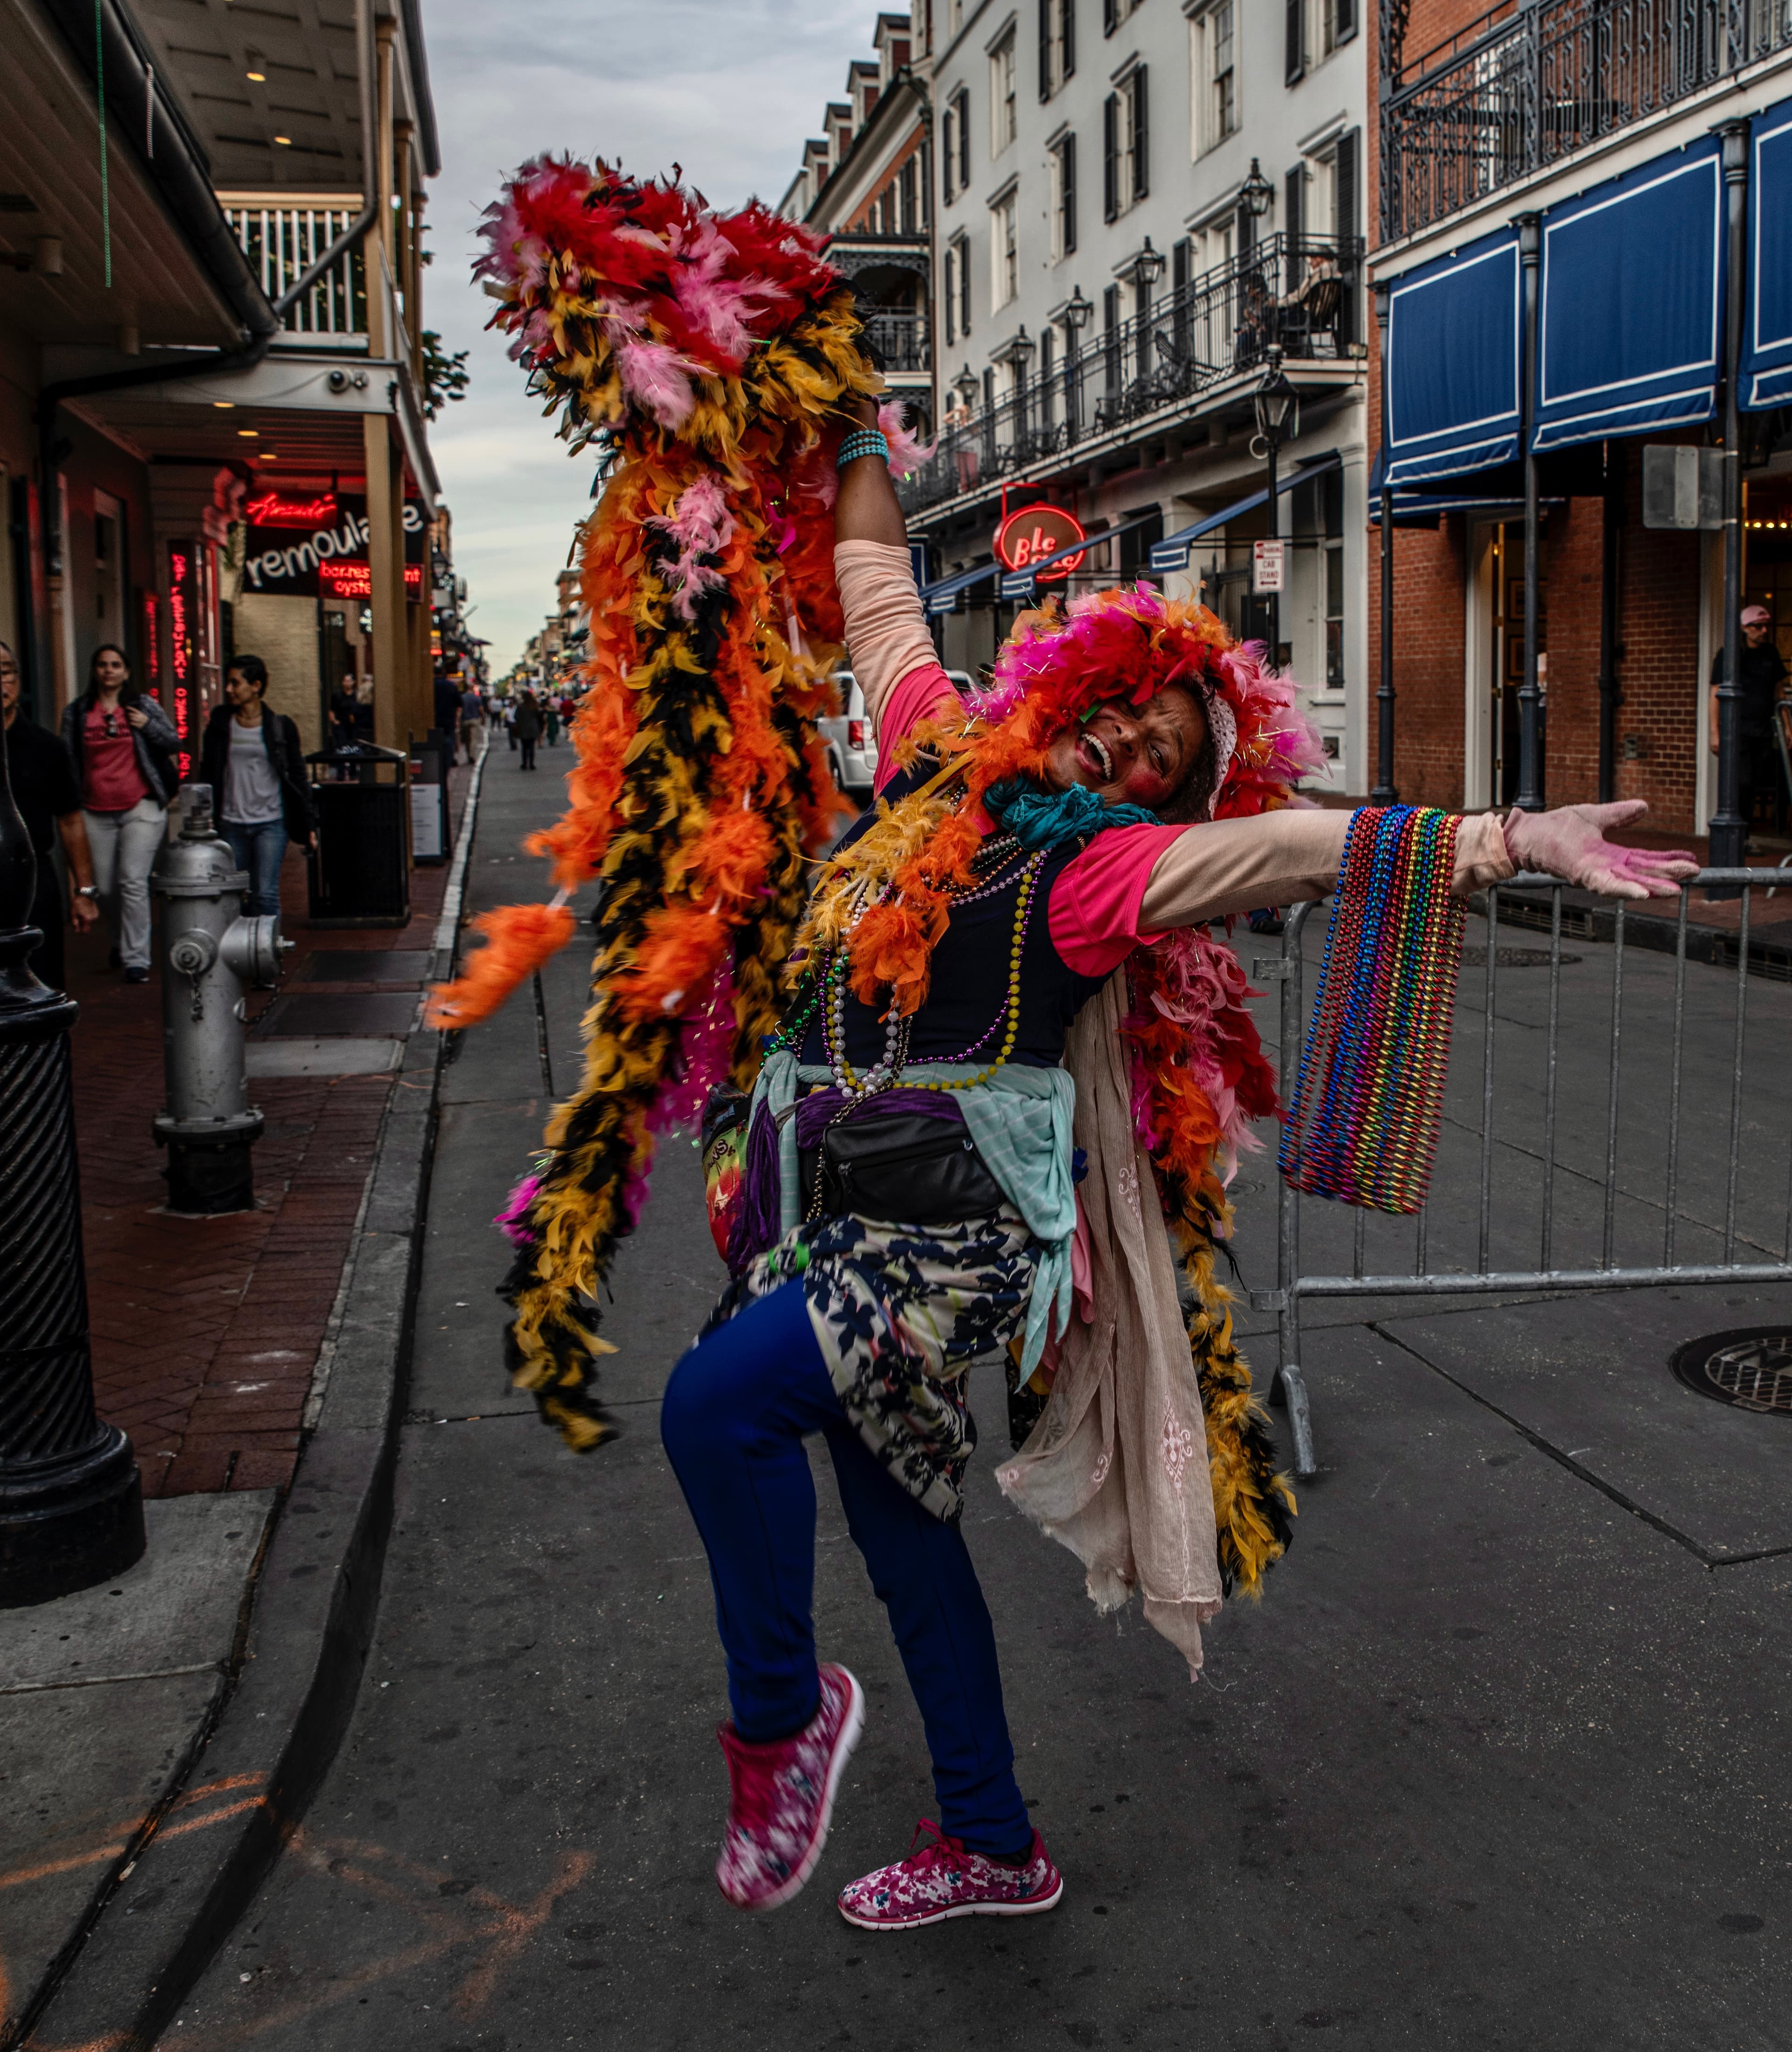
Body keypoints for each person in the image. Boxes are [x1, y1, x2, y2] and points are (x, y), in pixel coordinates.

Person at [655, 414, 1697, 1931]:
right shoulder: (938, 757)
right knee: (897, 1520)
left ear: (1162, 802)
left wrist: (1509, 835)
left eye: (1169, 759)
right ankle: (992, 1837)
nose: (1140, 747)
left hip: (944, 1240)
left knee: (710, 1403)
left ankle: (777, 1722)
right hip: (817, 1210)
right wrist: (845, 419)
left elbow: (1300, 846)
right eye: (1134, 714)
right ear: (1078, 693)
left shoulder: (1100, 876)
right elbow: (879, 589)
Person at [60, 643, 177, 983]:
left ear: (126, 672)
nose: (108, 670)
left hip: (140, 805)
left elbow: (173, 742)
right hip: (95, 809)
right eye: (102, 665)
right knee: (106, 887)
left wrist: (146, 726)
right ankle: (119, 940)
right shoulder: (78, 712)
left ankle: (136, 958)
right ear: (95, 671)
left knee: (132, 880)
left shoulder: (142, 706)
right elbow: (68, 758)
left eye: (115, 665)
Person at [0, 640, 100, 992]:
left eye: (6, 673)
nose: (1, 684)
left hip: (34, 880)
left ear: (18, 680)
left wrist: (84, 891)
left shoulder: (47, 747)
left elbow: (71, 820)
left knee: (41, 981)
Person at [199, 655, 315, 917]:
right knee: (235, 894)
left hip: (271, 822)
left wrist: (308, 825)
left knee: (266, 893)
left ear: (256, 686)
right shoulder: (220, 723)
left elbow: (297, 776)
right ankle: (240, 953)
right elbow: (208, 771)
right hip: (230, 821)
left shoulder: (280, 727)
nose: (229, 690)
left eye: (235, 683)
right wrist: (204, 814)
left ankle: (267, 952)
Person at [1709, 602, 1789, 838]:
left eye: (1766, 626)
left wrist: (1787, 724)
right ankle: (1736, 838)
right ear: (1745, 628)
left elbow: (1779, 691)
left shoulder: (1771, 653)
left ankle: (1743, 837)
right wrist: (1714, 732)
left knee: (1753, 783)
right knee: (1740, 782)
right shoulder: (1730, 654)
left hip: (1763, 729)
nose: (1764, 631)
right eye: (1758, 626)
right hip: (1736, 730)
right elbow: (1716, 693)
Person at [512, 686, 542, 770]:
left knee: (524, 747)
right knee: (532, 747)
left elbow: (516, 717)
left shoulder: (520, 707)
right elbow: (539, 716)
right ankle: (532, 764)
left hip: (523, 728)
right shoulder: (535, 706)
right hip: (533, 728)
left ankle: (525, 764)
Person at [458, 680, 484, 762]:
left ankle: (469, 754)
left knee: (467, 740)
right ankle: (472, 756)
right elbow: (481, 709)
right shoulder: (476, 698)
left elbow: (460, 710)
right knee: (474, 739)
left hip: (465, 721)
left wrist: (458, 720)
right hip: (475, 720)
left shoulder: (462, 698)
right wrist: (483, 719)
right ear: (472, 688)